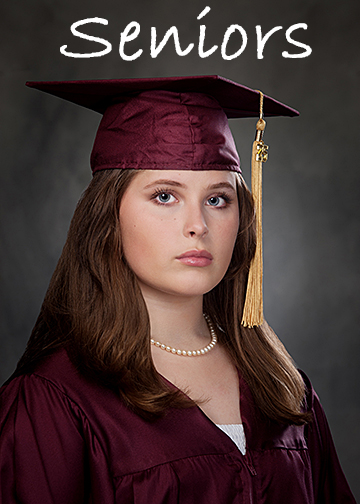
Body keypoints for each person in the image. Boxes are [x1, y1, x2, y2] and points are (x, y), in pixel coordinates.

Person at [0, 76, 356, 503]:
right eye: (165, 196)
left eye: (218, 199)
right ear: (107, 218)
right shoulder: (54, 401)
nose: (198, 226)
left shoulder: (283, 386)